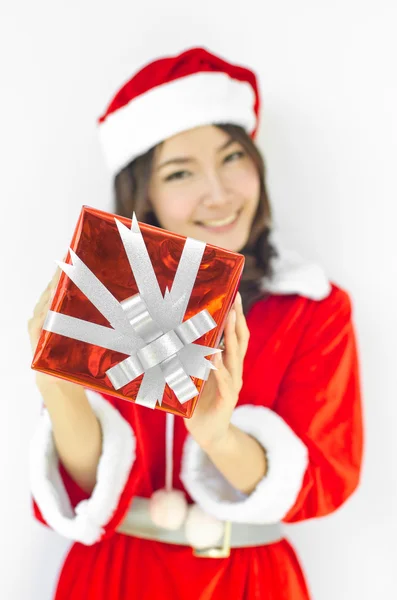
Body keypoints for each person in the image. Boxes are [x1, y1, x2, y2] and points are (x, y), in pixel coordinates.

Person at [28, 47, 363, 599]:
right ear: (146, 194)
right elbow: (84, 490)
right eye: (181, 171)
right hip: (114, 581)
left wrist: (217, 436)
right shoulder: (108, 299)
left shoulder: (312, 308)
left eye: (232, 158)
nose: (219, 192)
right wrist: (55, 384)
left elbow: (322, 480)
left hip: (253, 583)